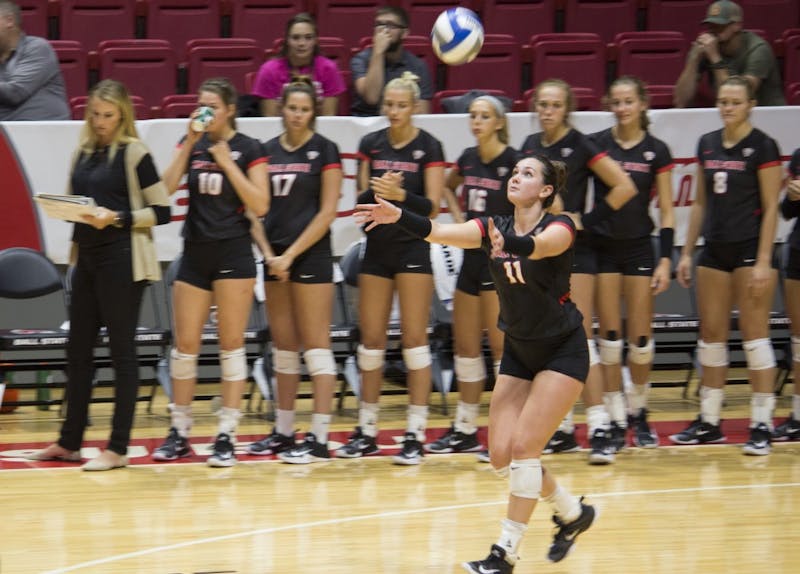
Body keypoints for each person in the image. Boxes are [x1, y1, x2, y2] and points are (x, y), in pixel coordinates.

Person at [354, 155, 596, 573]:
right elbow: (439, 231)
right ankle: (573, 513)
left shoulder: (561, 224)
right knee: (502, 457)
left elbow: (543, 246)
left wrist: (513, 245)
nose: (517, 176)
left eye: (528, 174)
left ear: (545, 191)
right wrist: (398, 216)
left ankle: (505, 553)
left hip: (562, 349)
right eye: (515, 171)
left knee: (524, 450)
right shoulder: (491, 226)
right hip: (520, 350)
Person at [26, 79, 171, 470]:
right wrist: (64, 209)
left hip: (124, 259)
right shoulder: (83, 153)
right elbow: (79, 206)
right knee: (77, 351)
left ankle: (118, 448)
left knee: (122, 353)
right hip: (87, 259)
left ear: (122, 114)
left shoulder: (135, 153)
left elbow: (162, 211)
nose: (100, 121)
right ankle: (69, 442)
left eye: (108, 115)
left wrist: (119, 218)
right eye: (95, 114)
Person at [152, 77, 269, 468]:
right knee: (184, 347)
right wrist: (188, 143)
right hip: (196, 253)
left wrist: (226, 162)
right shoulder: (192, 143)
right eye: (201, 105)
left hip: (234, 254)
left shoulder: (250, 149)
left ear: (230, 109)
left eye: (212, 107)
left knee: (231, 345)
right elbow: (164, 189)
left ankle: (226, 434)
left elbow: (261, 204)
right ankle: (180, 431)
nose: (205, 113)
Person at [520, 79, 636, 464]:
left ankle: (601, 427)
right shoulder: (530, 148)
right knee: (550, 340)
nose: (547, 111)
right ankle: (563, 428)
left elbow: (623, 186)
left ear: (566, 109)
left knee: (581, 340)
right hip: (540, 253)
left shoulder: (582, 144)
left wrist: (585, 220)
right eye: (542, 104)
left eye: (554, 105)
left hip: (575, 253)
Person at [335, 71, 444, 465]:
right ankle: (366, 430)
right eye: (389, 105)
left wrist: (400, 195)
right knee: (371, 342)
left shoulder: (429, 146)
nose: (394, 111)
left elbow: (431, 206)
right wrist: (381, 191)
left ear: (414, 107)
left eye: (401, 105)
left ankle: (414, 433)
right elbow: (360, 200)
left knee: (415, 340)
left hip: (413, 248)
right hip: (378, 249)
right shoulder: (371, 143)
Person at [671, 76, 782, 456]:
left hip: (751, 250)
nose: (728, 107)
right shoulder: (707, 144)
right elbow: (699, 203)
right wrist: (686, 252)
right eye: (723, 101)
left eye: (735, 101)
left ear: (751, 104)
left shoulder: (763, 146)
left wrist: (765, 260)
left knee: (754, 338)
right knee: (712, 336)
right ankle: (710, 420)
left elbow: (771, 209)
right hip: (714, 252)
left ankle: (762, 423)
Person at [245, 78, 343, 464]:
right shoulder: (265, 152)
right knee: (284, 350)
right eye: (292, 108)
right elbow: (253, 211)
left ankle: (318, 438)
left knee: (316, 348)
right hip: (275, 259)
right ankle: (284, 431)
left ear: (313, 111)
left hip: (311, 257)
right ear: (281, 109)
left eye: (304, 109)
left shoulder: (325, 150)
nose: (298, 115)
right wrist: (270, 254)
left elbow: (328, 211)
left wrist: (291, 255)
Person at [425, 95, 519, 461]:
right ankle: (465, 428)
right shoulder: (467, 158)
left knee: (501, 351)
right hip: (471, 259)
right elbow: (449, 184)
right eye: (473, 116)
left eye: (484, 116)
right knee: (465, 347)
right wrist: (460, 213)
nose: (477, 121)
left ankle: (504, 431)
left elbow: (536, 206)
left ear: (498, 122)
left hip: (500, 262)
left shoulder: (513, 162)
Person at [589, 76, 675, 449]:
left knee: (639, 339)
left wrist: (667, 259)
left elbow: (669, 211)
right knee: (609, 339)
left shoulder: (657, 150)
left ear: (642, 104)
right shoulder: (597, 145)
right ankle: (613, 415)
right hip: (604, 247)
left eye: (629, 101)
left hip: (640, 247)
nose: (622, 108)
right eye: (617, 102)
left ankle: (638, 411)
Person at [673, 0, 784, 108]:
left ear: (737, 25)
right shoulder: (707, 48)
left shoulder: (758, 49)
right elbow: (681, 101)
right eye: (710, 26)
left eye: (720, 25)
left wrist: (715, 57)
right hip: (732, 116)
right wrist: (694, 59)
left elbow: (737, 97)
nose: (713, 31)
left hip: (768, 114)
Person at [251, 12, 346, 117]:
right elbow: (270, 119)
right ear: (287, 40)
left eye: (308, 37)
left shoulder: (329, 68)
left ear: (315, 41)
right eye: (296, 38)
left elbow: (328, 117)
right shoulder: (269, 70)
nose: (302, 43)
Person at [350, 5, 434, 116]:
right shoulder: (360, 60)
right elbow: (372, 98)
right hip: (367, 124)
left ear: (404, 33)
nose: (383, 30)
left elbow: (423, 114)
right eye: (379, 24)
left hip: (403, 125)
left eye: (390, 25)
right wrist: (378, 52)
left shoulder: (418, 66)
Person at [0, 0, 69, 120]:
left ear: (9, 21)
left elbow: (15, 93)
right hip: (7, 133)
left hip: (46, 132)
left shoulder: (37, 48)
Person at [772, 147, 800, 441]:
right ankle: (798, 416)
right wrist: (792, 197)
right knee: (799, 341)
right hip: (798, 253)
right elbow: (786, 212)